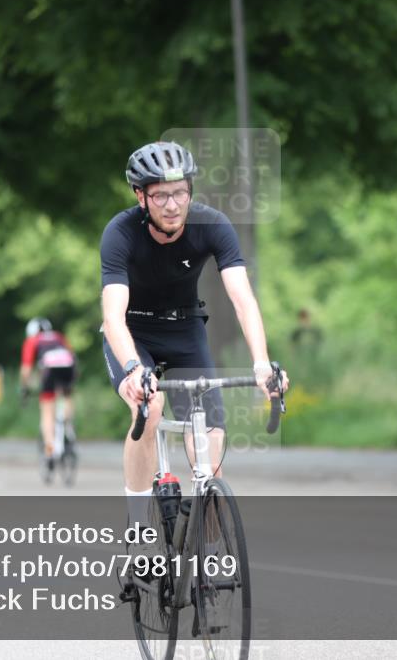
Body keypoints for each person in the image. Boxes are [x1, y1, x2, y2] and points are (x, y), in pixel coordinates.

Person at [100, 140, 289, 532]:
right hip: (133, 332)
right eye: (161, 195)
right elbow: (113, 316)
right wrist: (134, 370)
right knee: (149, 408)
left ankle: (201, 524)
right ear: (141, 196)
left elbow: (242, 299)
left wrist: (260, 364)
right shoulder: (120, 233)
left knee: (210, 435)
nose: (173, 204)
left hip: (185, 329)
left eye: (181, 192)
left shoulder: (213, 225)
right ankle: (139, 529)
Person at [20, 318, 77, 466]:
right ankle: (67, 427)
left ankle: (50, 449)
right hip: (68, 366)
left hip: (49, 369)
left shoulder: (32, 341)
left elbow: (26, 371)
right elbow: (71, 355)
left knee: (47, 410)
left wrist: (25, 389)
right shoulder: (58, 336)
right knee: (66, 396)